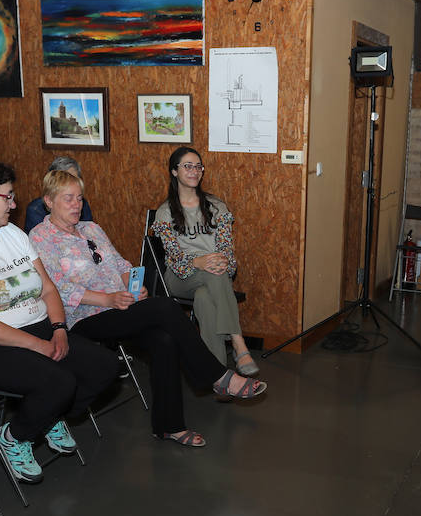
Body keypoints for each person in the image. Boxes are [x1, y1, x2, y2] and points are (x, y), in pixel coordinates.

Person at [30, 169, 266, 448]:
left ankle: (169, 426)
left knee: (163, 340)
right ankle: (216, 376)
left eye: (79, 198)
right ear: (48, 201)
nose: (76, 205)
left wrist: (134, 285)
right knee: (165, 307)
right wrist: (108, 300)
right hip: (83, 318)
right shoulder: (40, 237)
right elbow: (56, 289)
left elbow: (121, 266)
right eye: (68, 199)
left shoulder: (90, 228)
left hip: (120, 306)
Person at [0, 157, 120, 483]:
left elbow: (47, 289)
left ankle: (44, 416)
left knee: (105, 366)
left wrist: (59, 330)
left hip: (39, 327)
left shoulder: (13, 234)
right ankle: (15, 436)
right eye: (7, 196)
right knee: (59, 381)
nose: (14, 203)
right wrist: (39, 346)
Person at [151, 146, 256, 376]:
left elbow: (227, 248)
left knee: (205, 298)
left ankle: (217, 374)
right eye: (187, 166)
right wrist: (198, 262)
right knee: (213, 274)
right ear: (174, 172)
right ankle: (238, 342)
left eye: (198, 166)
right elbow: (175, 259)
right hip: (180, 277)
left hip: (213, 276)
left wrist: (223, 261)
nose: (194, 171)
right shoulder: (165, 212)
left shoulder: (216, 206)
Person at [23, 154, 94, 232]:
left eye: (74, 179)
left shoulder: (82, 204)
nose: (76, 204)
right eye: (64, 180)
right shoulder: (36, 210)